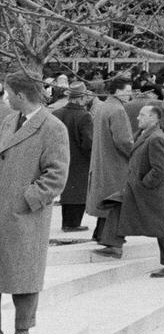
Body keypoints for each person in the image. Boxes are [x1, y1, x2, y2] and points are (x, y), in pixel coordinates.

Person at [0, 72, 70, 334]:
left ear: (20, 95)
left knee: (24, 273)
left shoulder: (53, 128)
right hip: (1, 210)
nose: (5, 97)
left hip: (26, 214)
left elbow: (56, 175)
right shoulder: (7, 121)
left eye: (7, 92)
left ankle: (23, 327)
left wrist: (28, 198)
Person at [95, 102, 164, 277]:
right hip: (138, 187)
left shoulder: (156, 137)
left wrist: (145, 183)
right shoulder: (145, 134)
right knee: (117, 206)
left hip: (152, 190)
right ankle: (114, 245)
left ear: (154, 118)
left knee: (163, 226)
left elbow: (160, 168)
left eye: (142, 115)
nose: (137, 117)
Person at [86, 78, 134, 244]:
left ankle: (100, 233)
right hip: (116, 162)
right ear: (119, 91)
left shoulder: (104, 106)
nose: (130, 94)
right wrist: (135, 154)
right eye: (128, 90)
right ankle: (108, 236)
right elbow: (124, 141)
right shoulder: (117, 110)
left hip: (103, 159)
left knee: (106, 198)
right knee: (115, 199)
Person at [53, 81, 92, 232]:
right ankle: (73, 224)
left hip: (60, 157)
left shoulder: (57, 113)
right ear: (81, 98)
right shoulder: (84, 116)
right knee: (79, 192)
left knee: (67, 191)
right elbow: (88, 142)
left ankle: (67, 222)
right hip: (80, 160)